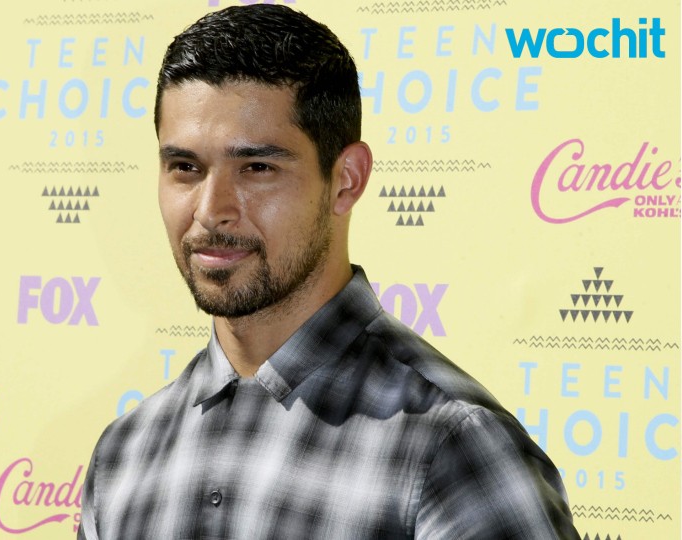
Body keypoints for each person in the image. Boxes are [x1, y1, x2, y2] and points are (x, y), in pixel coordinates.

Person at [78, 4, 579, 539]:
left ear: (346, 180)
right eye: (185, 168)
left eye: (257, 168)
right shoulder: (124, 454)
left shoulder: (453, 449)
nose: (210, 210)